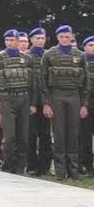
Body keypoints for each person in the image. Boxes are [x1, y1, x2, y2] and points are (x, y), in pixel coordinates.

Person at [40, 25, 89, 181]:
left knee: (74, 134)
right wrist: (46, 103)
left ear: (72, 37)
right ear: (57, 37)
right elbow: (43, 81)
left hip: (74, 96)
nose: (64, 39)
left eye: (67, 36)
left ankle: (73, 171)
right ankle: (60, 171)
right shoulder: (49, 54)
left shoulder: (80, 55)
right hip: (56, 96)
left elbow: (86, 82)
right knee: (59, 134)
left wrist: (84, 104)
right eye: (61, 36)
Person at [0, 30, 38, 175]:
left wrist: (32, 103)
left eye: (12, 40)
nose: (10, 43)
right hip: (7, 99)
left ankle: (20, 167)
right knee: (10, 137)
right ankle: (7, 166)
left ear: (18, 41)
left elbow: (33, 83)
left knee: (23, 136)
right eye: (7, 40)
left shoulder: (27, 58)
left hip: (24, 99)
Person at [26, 27, 52, 175]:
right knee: (31, 134)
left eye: (43, 38)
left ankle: (45, 167)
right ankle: (31, 166)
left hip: (46, 100)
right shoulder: (26, 56)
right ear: (32, 40)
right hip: (31, 101)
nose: (41, 41)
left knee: (46, 134)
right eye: (38, 38)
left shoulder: (49, 55)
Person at [82, 36, 94, 176]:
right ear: (84, 47)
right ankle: (87, 167)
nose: (93, 47)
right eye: (90, 45)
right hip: (86, 103)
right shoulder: (80, 60)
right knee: (85, 137)